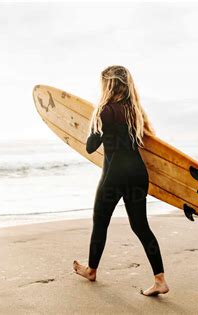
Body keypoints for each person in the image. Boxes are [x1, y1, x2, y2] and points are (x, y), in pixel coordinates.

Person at [73, 65, 169, 296]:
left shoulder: (104, 111)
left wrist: (94, 127)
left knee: (100, 222)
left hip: (114, 176)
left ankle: (92, 270)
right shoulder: (136, 112)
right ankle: (160, 280)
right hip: (138, 174)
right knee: (141, 226)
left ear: (107, 85)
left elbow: (90, 147)